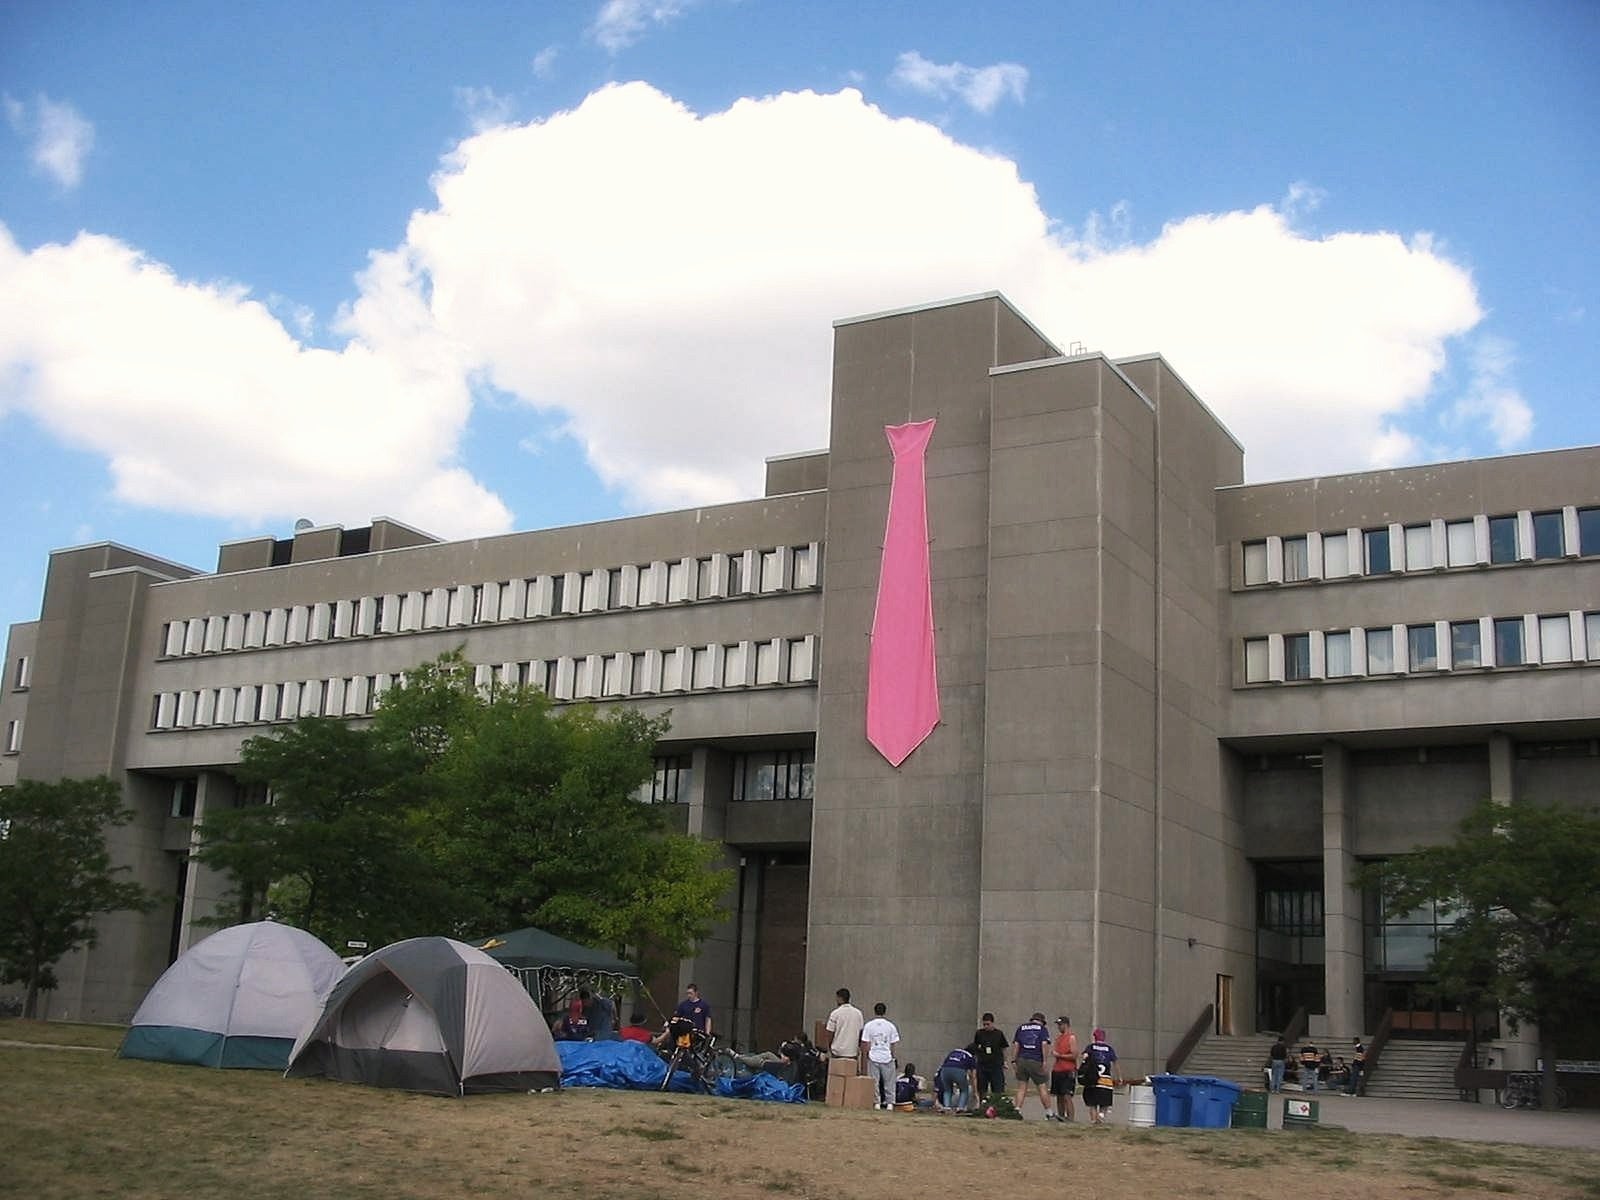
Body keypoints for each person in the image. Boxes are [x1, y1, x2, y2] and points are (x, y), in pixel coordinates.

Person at [1011, 1011, 1053, 1118]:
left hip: (1021, 1060)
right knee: (1042, 1086)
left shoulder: (1021, 1028)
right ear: (1042, 1022)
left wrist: (1013, 1060)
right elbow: (1044, 1044)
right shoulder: (1042, 1030)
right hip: (1036, 1060)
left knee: (1022, 1087)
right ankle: (1049, 1112)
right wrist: (1044, 1061)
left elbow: (1016, 1044)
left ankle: (1017, 1110)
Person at [860, 1002, 901, 1110]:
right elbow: (893, 1044)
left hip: (873, 1056)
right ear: (885, 1012)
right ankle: (890, 1103)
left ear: (875, 1011)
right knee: (889, 1082)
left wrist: (866, 1056)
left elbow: (866, 1043)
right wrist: (893, 1056)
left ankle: (876, 1103)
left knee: (875, 1082)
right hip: (886, 1056)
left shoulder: (869, 1025)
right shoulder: (891, 1026)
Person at [1079, 1028, 1118, 1125]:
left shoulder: (1091, 1047)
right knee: (1104, 1103)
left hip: (1093, 1080)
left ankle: (1093, 1121)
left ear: (1094, 1037)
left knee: (1092, 1104)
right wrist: (1119, 1077)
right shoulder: (1109, 1049)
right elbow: (1115, 1063)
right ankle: (1101, 1115)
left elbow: (1084, 1057)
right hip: (1106, 1081)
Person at [969, 1012, 1009, 1100]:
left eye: (988, 1024)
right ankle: (982, 1105)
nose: (986, 1026)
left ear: (992, 1023)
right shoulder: (979, 1033)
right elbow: (975, 1047)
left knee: (998, 1088)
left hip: (996, 1064)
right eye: (984, 1024)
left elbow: (1004, 1048)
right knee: (982, 1088)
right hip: (983, 1064)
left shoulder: (999, 1034)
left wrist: (1005, 1061)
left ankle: (997, 1105)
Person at [825, 987, 865, 1071]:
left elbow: (830, 1032)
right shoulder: (858, 1013)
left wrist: (829, 1048)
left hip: (837, 1052)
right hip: (852, 1052)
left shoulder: (835, 1013)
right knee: (851, 1079)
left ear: (839, 998)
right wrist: (858, 1047)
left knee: (837, 1079)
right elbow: (861, 1032)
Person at [1050, 1015, 1078, 1122]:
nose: (1059, 1027)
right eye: (1058, 1025)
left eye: (1060, 1025)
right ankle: (1061, 1116)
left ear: (1066, 1025)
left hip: (1068, 1070)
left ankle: (1070, 1118)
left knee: (1067, 1095)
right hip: (1058, 1070)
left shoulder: (1071, 1038)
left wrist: (1060, 1056)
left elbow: (1074, 1055)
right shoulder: (1058, 1038)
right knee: (1059, 1095)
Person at [937, 1045, 978, 1113]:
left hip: (945, 1070)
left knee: (947, 1090)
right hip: (959, 1070)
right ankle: (960, 1107)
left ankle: (947, 1107)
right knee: (964, 1090)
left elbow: (945, 1062)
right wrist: (975, 1090)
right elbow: (973, 1075)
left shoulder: (955, 1051)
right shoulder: (970, 1057)